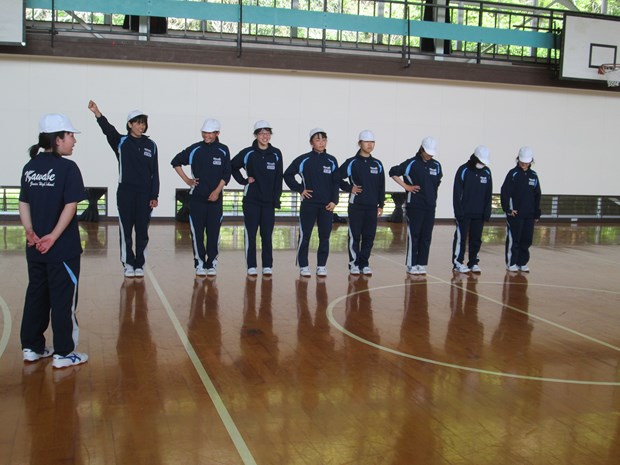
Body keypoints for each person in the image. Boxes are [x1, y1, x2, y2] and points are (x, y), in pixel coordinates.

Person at [19, 113, 88, 368]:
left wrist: (29, 231)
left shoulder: (30, 167)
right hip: (62, 251)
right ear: (57, 139)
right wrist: (53, 237)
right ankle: (64, 353)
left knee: (36, 296)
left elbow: (23, 202)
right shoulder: (68, 168)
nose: (74, 141)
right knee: (63, 300)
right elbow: (70, 206)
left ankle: (32, 347)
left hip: (35, 248)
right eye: (70, 136)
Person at [87, 100, 160, 278]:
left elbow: (155, 173)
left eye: (143, 123)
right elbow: (108, 129)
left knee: (142, 231)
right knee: (125, 230)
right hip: (125, 193)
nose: (141, 126)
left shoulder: (151, 145)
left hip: (145, 195)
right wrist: (97, 113)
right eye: (138, 123)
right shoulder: (121, 142)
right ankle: (128, 264)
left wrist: (154, 195)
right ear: (129, 124)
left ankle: (139, 264)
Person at [171, 118, 231, 276]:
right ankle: (199, 263)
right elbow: (175, 161)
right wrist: (187, 180)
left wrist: (217, 191)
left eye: (210, 133)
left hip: (215, 201)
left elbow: (226, 174)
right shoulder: (195, 149)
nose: (206, 136)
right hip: (197, 200)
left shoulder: (223, 150)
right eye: (204, 132)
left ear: (217, 133)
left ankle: (212, 263)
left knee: (213, 233)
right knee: (197, 233)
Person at [284, 128, 339, 277]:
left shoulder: (332, 160)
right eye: (317, 139)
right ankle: (303, 265)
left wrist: (334, 201)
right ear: (311, 142)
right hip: (309, 204)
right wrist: (300, 189)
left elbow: (335, 182)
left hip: (327, 206)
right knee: (305, 235)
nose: (321, 143)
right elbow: (287, 175)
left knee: (325, 236)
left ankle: (321, 266)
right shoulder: (304, 160)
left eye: (324, 139)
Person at [231, 120, 283, 277]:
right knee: (251, 234)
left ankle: (267, 265)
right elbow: (232, 166)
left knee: (267, 235)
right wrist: (243, 181)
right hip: (251, 201)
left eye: (268, 133)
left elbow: (278, 178)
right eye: (261, 133)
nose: (265, 136)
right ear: (256, 135)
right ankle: (251, 265)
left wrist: (276, 199)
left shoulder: (276, 153)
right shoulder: (248, 153)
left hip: (268, 203)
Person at [389, 136, 443, 275]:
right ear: (422, 149)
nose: (430, 155)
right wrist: (406, 186)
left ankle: (421, 263)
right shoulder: (411, 163)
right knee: (414, 234)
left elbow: (437, 182)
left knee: (426, 235)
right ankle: (412, 264)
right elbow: (393, 172)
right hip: (415, 205)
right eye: (427, 152)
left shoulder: (436, 165)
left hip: (430, 206)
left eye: (432, 153)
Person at [338, 130, 385, 276]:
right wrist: (349, 188)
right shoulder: (351, 162)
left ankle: (364, 263)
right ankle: (354, 263)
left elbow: (381, 186)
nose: (370, 145)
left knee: (369, 236)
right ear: (360, 143)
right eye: (366, 142)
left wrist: (381, 205)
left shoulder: (377, 164)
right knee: (355, 236)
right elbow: (336, 177)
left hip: (372, 207)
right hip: (356, 206)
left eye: (372, 142)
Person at [452, 145, 493, 273]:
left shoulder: (487, 172)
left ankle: (473, 262)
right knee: (461, 239)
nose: (482, 164)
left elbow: (488, 193)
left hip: (479, 213)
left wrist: (487, 211)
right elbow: (457, 193)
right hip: (464, 213)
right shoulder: (463, 170)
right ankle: (458, 262)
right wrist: (458, 211)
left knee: (476, 239)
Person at [500, 146, 541, 272]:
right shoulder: (513, 174)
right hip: (515, 214)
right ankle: (511, 263)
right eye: (522, 162)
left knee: (526, 239)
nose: (524, 164)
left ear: (531, 161)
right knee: (514, 239)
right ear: (518, 160)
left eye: (526, 162)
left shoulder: (533, 175)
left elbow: (537, 195)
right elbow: (505, 192)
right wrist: (508, 209)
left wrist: (536, 213)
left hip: (529, 214)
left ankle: (522, 262)